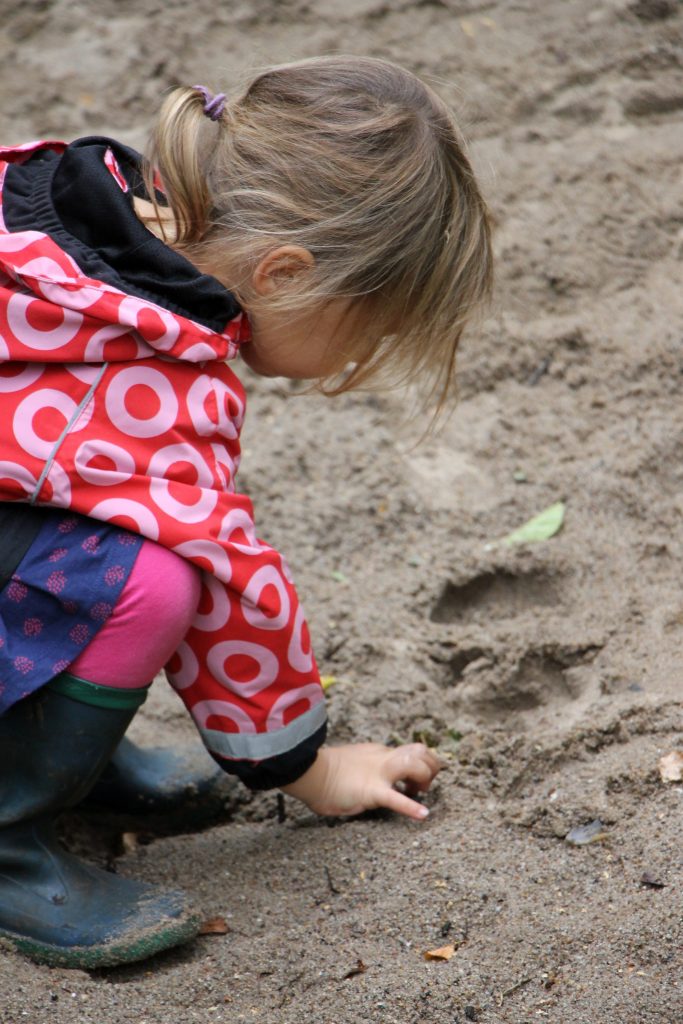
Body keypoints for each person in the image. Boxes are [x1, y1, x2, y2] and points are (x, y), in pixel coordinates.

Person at [0, 56, 492, 968]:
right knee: (144, 578)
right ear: (284, 271)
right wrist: (306, 766)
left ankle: (59, 746)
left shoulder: (45, 195)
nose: (366, 356)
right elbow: (234, 588)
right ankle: (8, 839)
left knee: (90, 540)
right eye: (371, 325)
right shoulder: (157, 383)